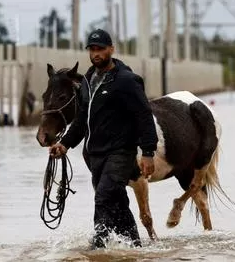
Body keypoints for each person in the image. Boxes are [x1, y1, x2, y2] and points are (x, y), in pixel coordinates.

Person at [48, 28, 158, 249]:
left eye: (100, 49)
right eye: (92, 49)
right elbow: (81, 119)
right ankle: (135, 247)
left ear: (111, 49)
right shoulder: (89, 80)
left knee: (103, 197)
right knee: (117, 203)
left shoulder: (126, 80)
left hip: (121, 152)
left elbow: (144, 115)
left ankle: (97, 249)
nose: (96, 53)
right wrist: (65, 144)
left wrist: (147, 152)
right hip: (96, 154)